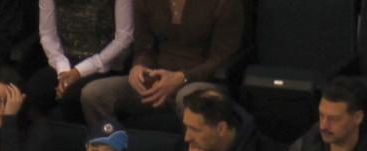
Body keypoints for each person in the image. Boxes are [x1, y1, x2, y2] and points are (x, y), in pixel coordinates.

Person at [79, 0, 245, 133]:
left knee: (189, 100)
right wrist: (139, 66)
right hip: (157, 77)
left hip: (202, 80)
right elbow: (145, 48)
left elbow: (221, 58)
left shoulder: (224, 3)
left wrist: (183, 78)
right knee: (94, 94)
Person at [32, 0, 136, 116]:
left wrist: (81, 70)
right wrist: (63, 70)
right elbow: (47, 35)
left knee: (71, 98)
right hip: (64, 60)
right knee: (36, 90)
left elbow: (124, 37)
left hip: (103, 63)